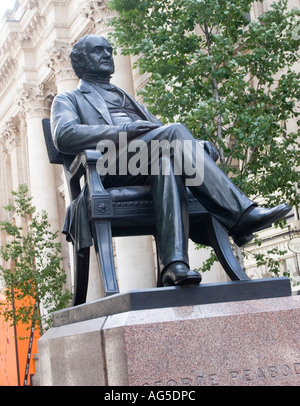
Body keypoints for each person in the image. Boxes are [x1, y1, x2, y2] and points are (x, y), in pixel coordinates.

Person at [50, 35, 291, 286]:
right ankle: (241, 216)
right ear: (81, 60)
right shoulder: (68, 99)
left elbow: (162, 136)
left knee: (166, 162)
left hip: (149, 161)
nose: (107, 55)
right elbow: (64, 136)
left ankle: (174, 265)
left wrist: (196, 148)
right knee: (174, 131)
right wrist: (125, 133)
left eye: (109, 50)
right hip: (108, 168)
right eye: (99, 50)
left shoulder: (127, 97)